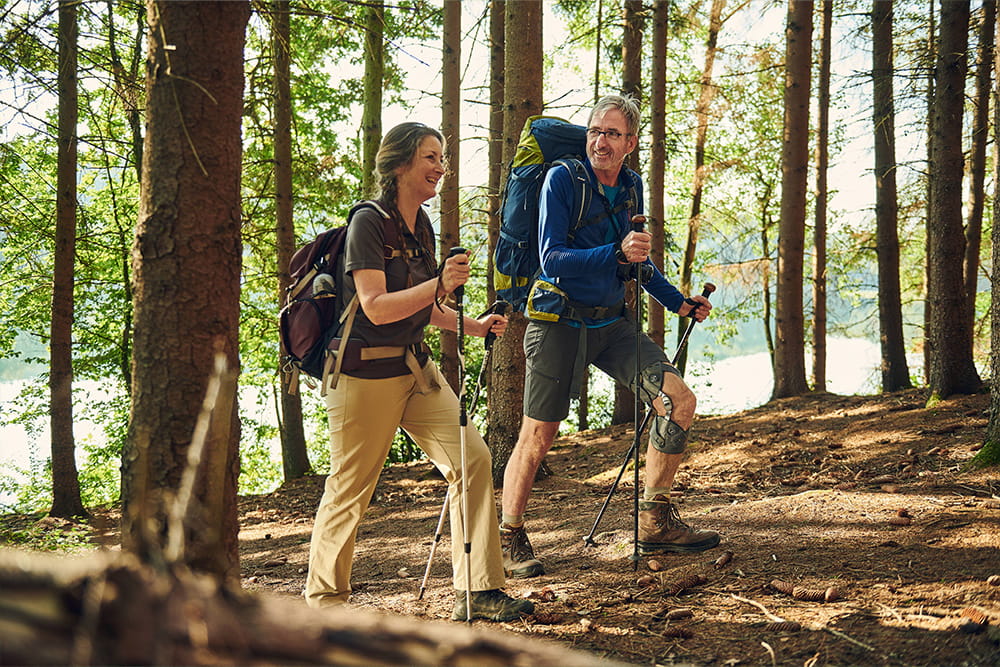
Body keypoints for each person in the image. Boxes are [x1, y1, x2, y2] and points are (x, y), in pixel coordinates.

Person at [304, 122, 533, 622]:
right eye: (431, 156)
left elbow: (424, 306)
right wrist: (439, 285)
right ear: (401, 163)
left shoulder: (421, 225)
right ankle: (324, 609)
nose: (440, 167)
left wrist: (473, 326)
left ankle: (478, 589)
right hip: (363, 376)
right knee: (349, 491)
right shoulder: (369, 222)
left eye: (443, 157)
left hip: (413, 369)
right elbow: (376, 306)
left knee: (472, 461)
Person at [500, 95, 720, 578]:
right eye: (595, 131)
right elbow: (550, 258)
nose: (600, 141)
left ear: (631, 143)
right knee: (538, 436)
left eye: (612, 134)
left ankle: (654, 520)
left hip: (610, 323)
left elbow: (636, 259)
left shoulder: (631, 186)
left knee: (678, 399)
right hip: (557, 321)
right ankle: (509, 534)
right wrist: (614, 254)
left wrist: (678, 302)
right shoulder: (563, 179)